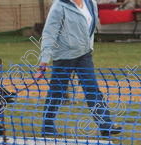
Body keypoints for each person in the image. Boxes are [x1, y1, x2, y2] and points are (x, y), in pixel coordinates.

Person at [39, 0, 121, 137]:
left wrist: (89, 46)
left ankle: (106, 125)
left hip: (84, 54)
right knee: (57, 92)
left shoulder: (90, 3)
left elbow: (89, 27)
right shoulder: (59, 6)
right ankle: (47, 126)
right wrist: (44, 60)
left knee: (92, 89)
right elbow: (49, 33)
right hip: (64, 56)